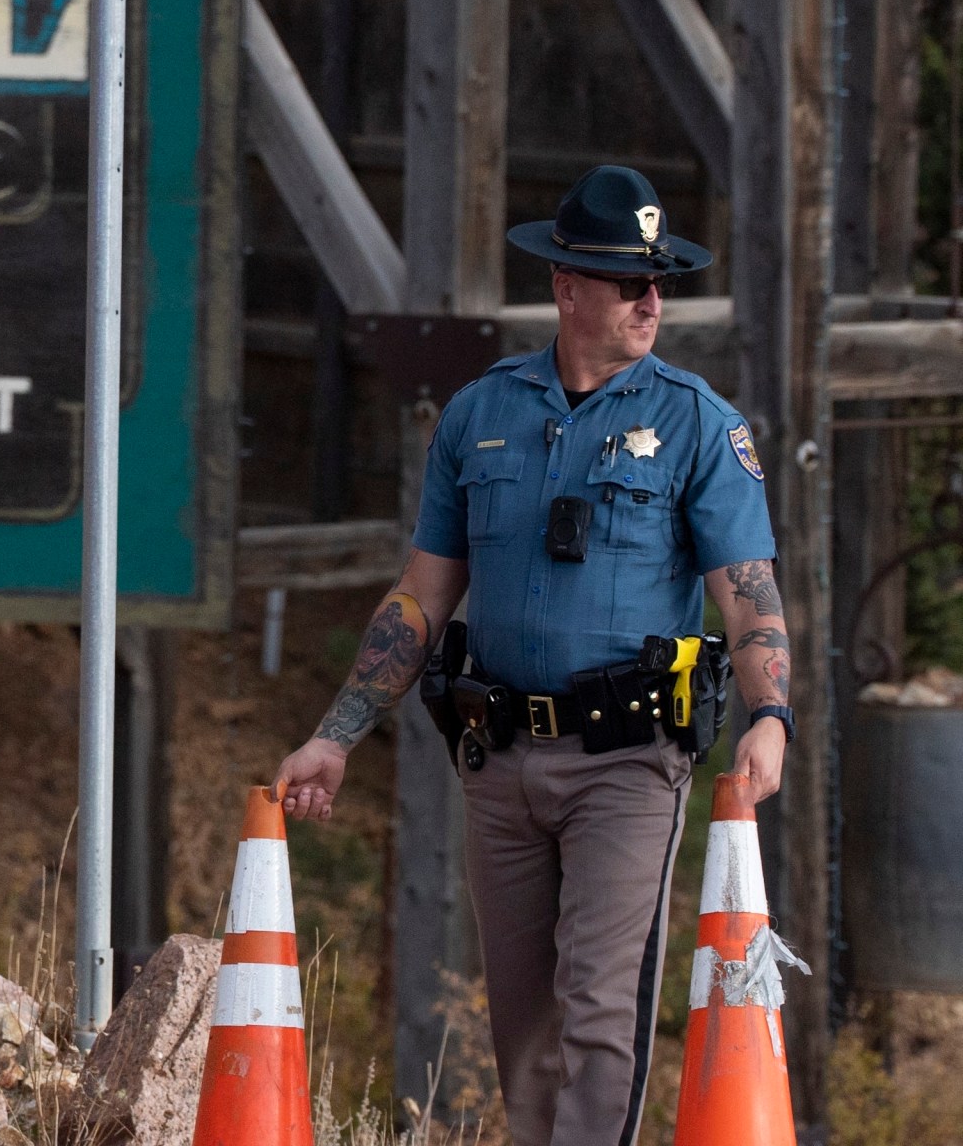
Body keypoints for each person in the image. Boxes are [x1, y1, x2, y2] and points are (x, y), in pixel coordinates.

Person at [271, 165, 795, 1146]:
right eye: (625, 281)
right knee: (521, 1018)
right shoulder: (480, 414)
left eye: (657, 282)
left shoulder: (697, 423)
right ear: (564, 287)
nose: (650, 300)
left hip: (628, 763)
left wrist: (768, 715)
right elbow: (421, 594)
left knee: (600, 1005)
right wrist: (335, 735)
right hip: (500, 758)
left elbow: (749, 596)